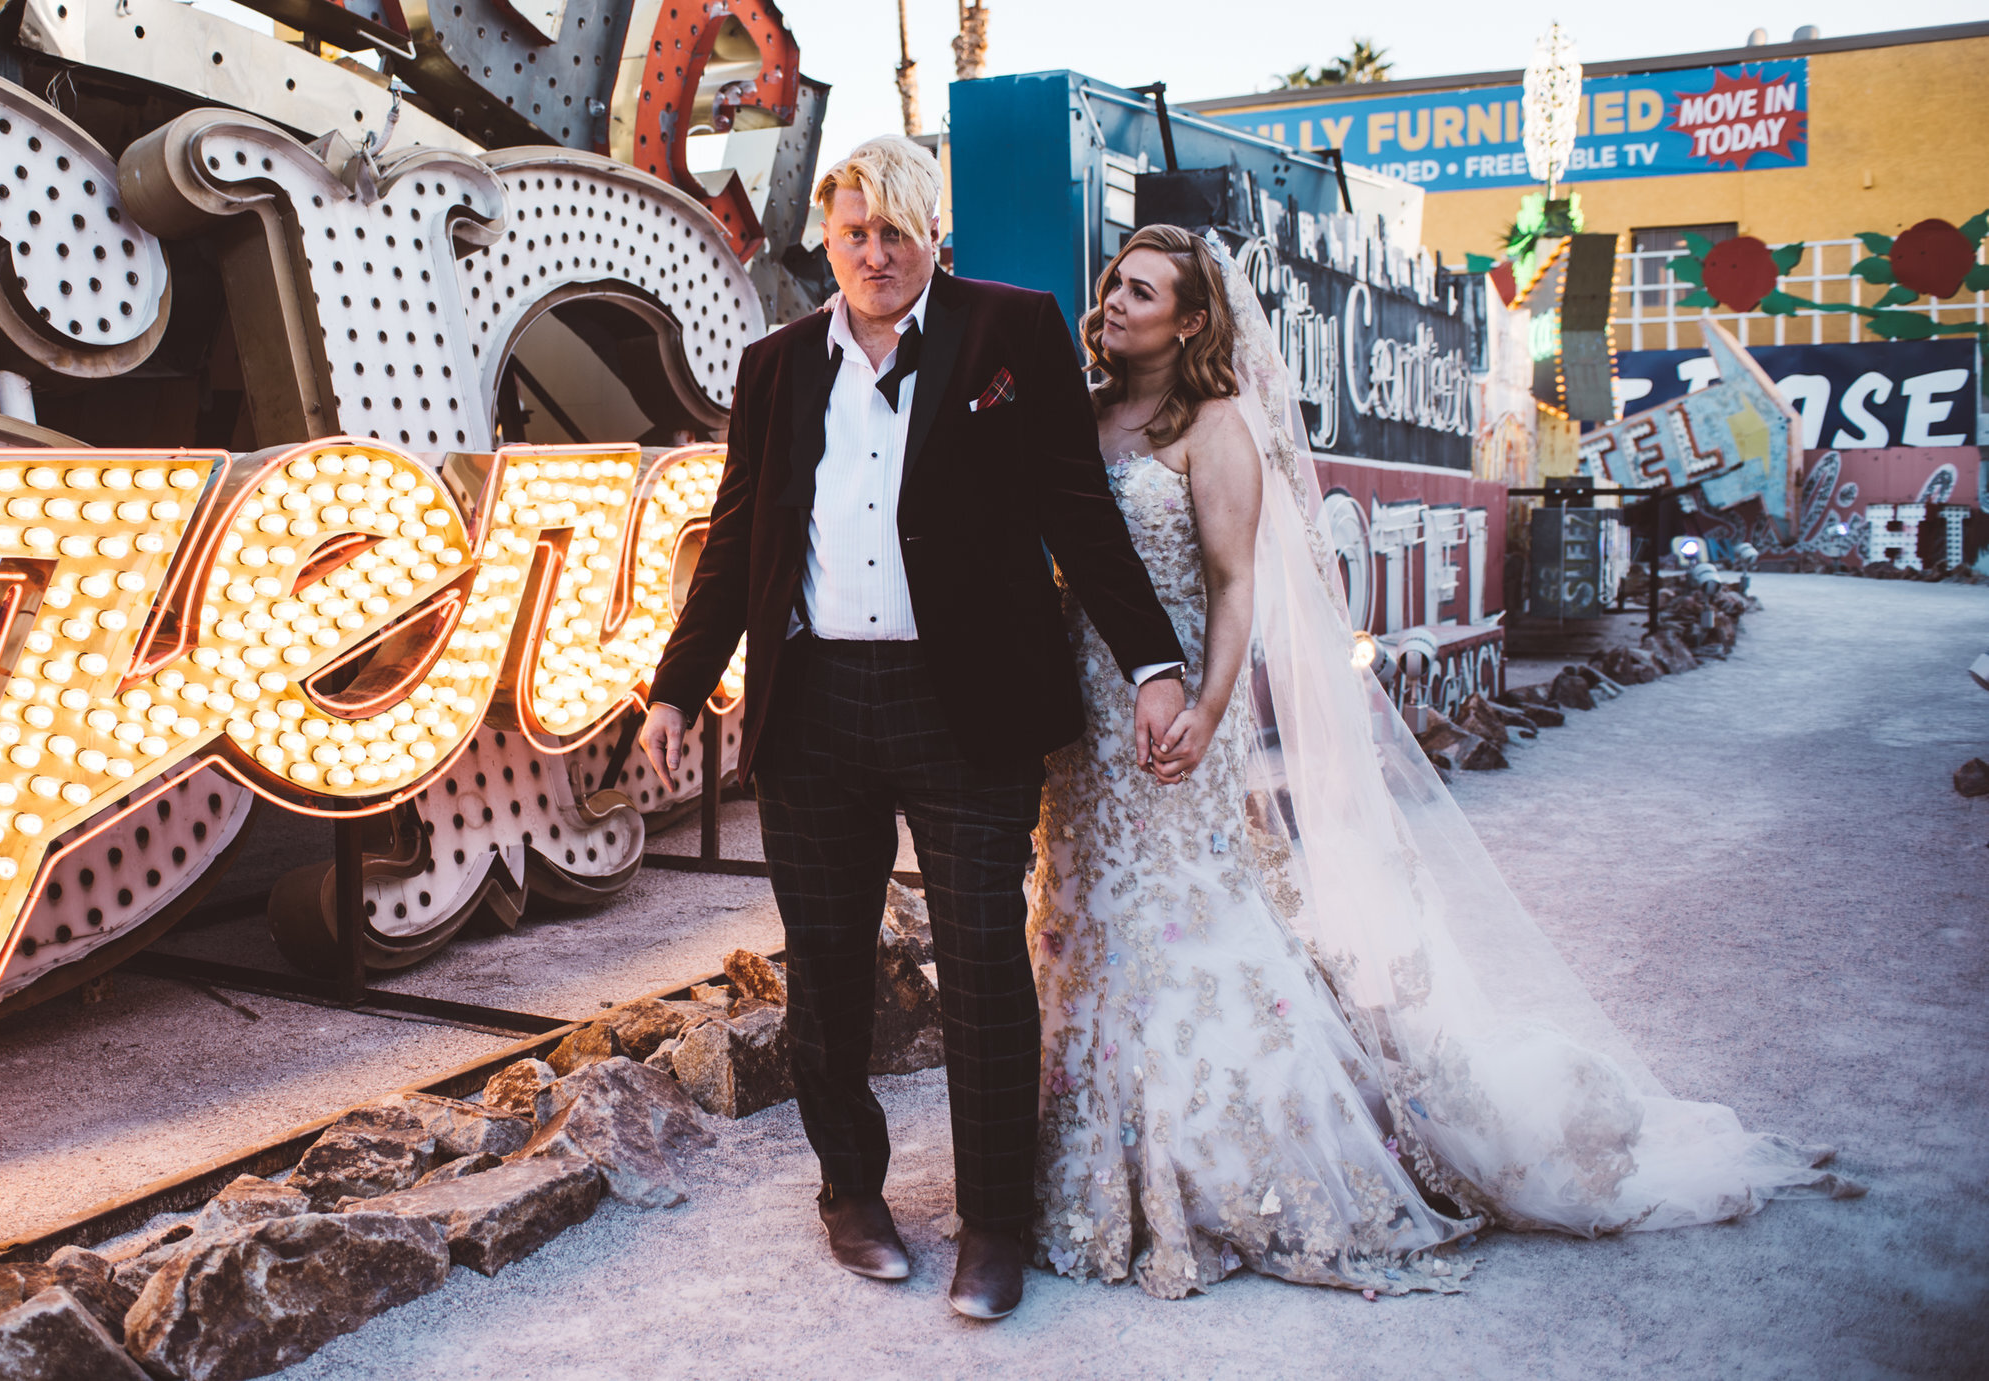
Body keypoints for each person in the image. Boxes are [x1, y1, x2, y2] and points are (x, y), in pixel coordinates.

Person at [1031, 223, 1857, 1299]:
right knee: (1085, 911)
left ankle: (1219, 1165)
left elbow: (1235, 586)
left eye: (1142, 291)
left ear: (1191, 321)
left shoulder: (1218, 425)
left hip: (1179, 704)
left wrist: (1210, 704)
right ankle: (1090, 1156)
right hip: (1083, 714)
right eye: (1112, 283)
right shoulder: (1082, 414)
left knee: (1180, 913)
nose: (1113, 302)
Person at [640, 137, 1190, 1321]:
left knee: (983, 964)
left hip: (967, 704)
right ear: (826, 240)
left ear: (933, 235)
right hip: (814, 707)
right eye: (855, 233)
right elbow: (737, 540)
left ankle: (993, 1223)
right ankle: (851, 1193)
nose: (876, 254)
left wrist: (1153, 661)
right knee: (827, 969)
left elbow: (1076, 508)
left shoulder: (1012, 329)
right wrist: (676, 690)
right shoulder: (776, 365)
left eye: (896, 231)